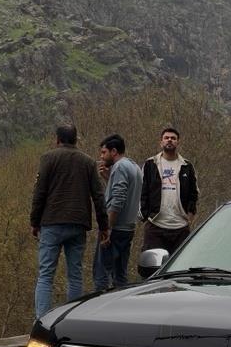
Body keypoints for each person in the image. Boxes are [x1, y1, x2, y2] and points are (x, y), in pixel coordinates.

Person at [30, 124, 109, 318]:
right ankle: (72, 318)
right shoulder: (88, 162)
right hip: (78, 223)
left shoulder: (48, 158)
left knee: (46, 275)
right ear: (76, 140)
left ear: (57, 139)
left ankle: (42, 320)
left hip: (52, 221)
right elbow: (98, 196)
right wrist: (104, 225)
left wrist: (34, 221)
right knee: (75, 274)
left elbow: (40, 192)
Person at [140, 126, 199, 256]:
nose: (169, 140)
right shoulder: (151, 164)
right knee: (152, 268)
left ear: (178, 142)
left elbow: (193, 193)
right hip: (155, 225)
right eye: (166, 138)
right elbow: (142, 191)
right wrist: (146, 215)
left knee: (179, 266)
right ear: (161, 142)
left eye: (173, 138)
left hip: (180, 227)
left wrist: (190, 215)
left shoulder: (187, 166)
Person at [93, 134, 142, 289]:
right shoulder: (134, 166)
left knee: (101, 275)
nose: (101, 156)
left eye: (103, 152)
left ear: (114, 151)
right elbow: (126, 193)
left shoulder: (119, 167)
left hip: (115, 230)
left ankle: (97, 310)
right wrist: (109, 178)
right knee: (120, 276)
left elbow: (118, 199)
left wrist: (107, 228)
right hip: (128, 228)